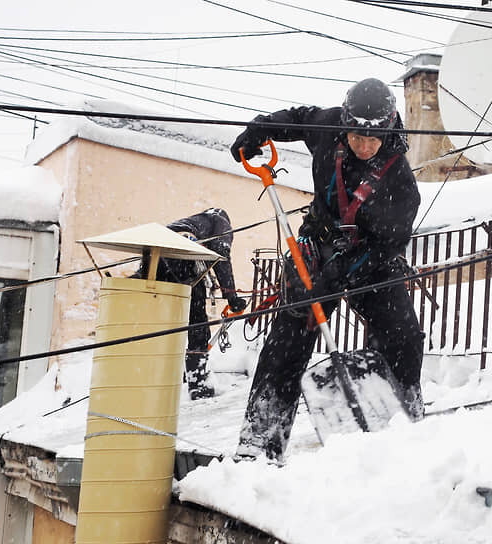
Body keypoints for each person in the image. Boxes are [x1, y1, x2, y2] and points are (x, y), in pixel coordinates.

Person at [229, 77, 425, 462]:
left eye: (374, 139)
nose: (364, 146)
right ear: (345, 124)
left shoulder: (400, 183)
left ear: (388, 129)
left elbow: (386, 247)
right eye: (356, 136)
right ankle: (260, 438)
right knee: (289, 334)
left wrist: (332, 281)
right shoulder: (328, 127)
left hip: (373, 262)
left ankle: (406, 419)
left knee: (402, 335)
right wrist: (261, 129)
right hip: (318, 244)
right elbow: (300, 119)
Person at [134, 208, 247, 400]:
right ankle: (198, 384)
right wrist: (232, 298)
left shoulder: (194, 222)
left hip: (155, 252)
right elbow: (222, 259)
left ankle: (152, 375)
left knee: (162, 320)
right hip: (182, 255)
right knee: (198, 324)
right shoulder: (221, 224)